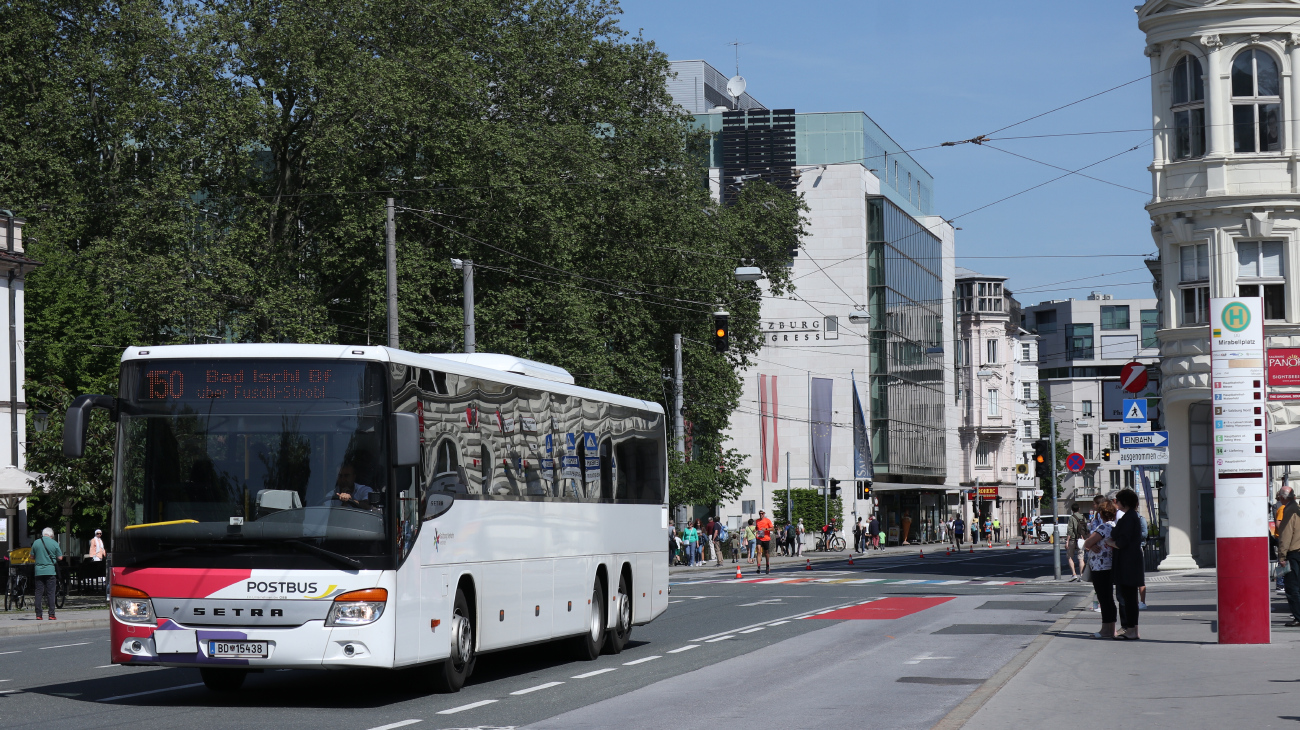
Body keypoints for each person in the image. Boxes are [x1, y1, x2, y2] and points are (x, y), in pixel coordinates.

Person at [1108, 489, 1145, 640]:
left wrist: (1111, 542)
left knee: (1128, 597)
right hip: (1132, 560)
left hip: (1127, 562)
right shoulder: (1132, 516)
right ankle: (1133, 629)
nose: (1116, 503)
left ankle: (1131, 630)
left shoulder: (1128, 518)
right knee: (1131, 597)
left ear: (1124, 502)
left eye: (1118, 500)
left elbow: (1122, 541)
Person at [1083, 499, 1119, 638]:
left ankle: (1105, 629)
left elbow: (1087, 542)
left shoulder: (1103, 527)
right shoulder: (1114, 526)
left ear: (1101, 514)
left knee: (1104, 599)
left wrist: (1090, 545)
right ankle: (1112, 629)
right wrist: (1092, 545)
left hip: (1100, 566)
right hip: (1109, 565)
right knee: (1108, 598)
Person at [1276, 487, 1300, 627]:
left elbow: (1285, 536)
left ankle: (1298, 617)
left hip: (1293, 553)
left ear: (1283, 497)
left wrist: (1282, 556)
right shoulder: (1297, 508)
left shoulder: (1288, 510)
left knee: (1292, 587)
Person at [31, 527, 63, 621]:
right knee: (51, 593)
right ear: (51, 535)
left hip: (38, 571)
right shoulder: (54, 543)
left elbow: (31, 556)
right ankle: (51, 614)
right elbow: (60, 557)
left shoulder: (36, 542)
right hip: (50, 571)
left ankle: (38, 615)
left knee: (38, 592)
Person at [1065, 503, 1086, 581]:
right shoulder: (1083, 517)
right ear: (1079, 509)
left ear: (1072, 510)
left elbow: (1070, 530)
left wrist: (1067, 541)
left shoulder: (1072, 518)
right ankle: (1081, 575)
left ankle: (1074, 574)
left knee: (1070, 556)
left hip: (1073, 539)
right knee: (1081, 558)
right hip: (1081, 539)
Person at [754, 510, 774, 574]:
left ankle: (767, 565)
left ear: (764, 514)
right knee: (759, 551)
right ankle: (758, 567)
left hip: (766, 538)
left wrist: (766, 529)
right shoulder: (757, 521)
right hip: (759, 538)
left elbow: (772, 528)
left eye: (762, 513)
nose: (761, 515)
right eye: (760, 513)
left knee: (766, 553)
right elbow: (757, 527)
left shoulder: (767, 520)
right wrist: (755, 529)